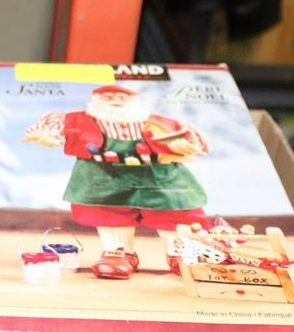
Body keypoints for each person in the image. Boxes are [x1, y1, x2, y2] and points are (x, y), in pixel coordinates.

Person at [23, 84, 209, 279]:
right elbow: (47, 130)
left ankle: (180, 253)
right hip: (105, 176)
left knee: (174, 212)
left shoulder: (160, 124)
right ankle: (118, 252)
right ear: (96, 102)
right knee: (109, 212)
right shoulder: (77, 121)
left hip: (157, 176)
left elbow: (194, 142)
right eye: (108, 97)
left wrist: (186, 145)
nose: (115, 101)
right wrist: (44, 135)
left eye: (122, 98)